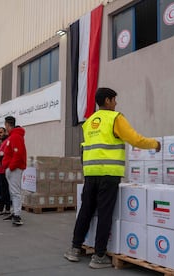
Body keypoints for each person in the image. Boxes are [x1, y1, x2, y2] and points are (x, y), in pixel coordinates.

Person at [64, 88, 161, 269]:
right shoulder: (115, 118)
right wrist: (155, 144)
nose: (116, 103)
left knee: (85, 211)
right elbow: (135, 140)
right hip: (108, 174)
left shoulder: (89, 121)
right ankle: (99, 256)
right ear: (107, 101)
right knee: (105, 213)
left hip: (91, 173)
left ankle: (74, 248)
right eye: (114, 99)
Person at [2, 116, 27, 226]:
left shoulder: (15, 136)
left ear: (7, 124)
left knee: (15, 192)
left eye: (5, 125)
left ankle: (17, 215)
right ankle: (15, 212)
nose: (5, 127)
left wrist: (11, 167)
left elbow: (18, 154)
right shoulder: (13, 136)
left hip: (14, 169)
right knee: (13, 192)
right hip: (12, 168)